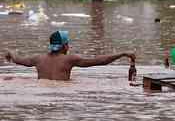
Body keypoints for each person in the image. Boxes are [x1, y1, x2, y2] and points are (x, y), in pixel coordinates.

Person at [4, 31, 135, 81]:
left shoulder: (38, 59)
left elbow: (17, 59)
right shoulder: (69, 59)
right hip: (62, 93)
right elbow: (99, 61)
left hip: (41, 90)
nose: (69, 46)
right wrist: (122, 53)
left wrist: (10, 52)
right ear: (64, 46)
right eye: (67, 44)